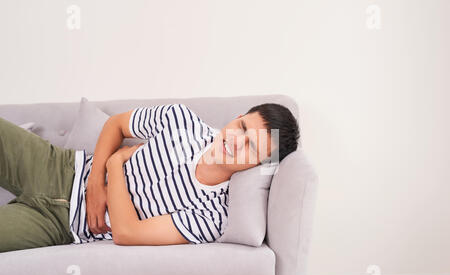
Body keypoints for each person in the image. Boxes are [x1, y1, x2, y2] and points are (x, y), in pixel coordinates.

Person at [0, 103, 299, 253]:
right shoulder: (181, 118)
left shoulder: (214, 216)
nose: (236, 141)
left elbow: (127, 233)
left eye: (250, 147)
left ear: (259, 164)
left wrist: (116, 164)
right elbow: (116, 124)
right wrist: (94, 182)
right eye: (243, 128)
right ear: (237, 118)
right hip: (61, 166)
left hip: (64, 222)